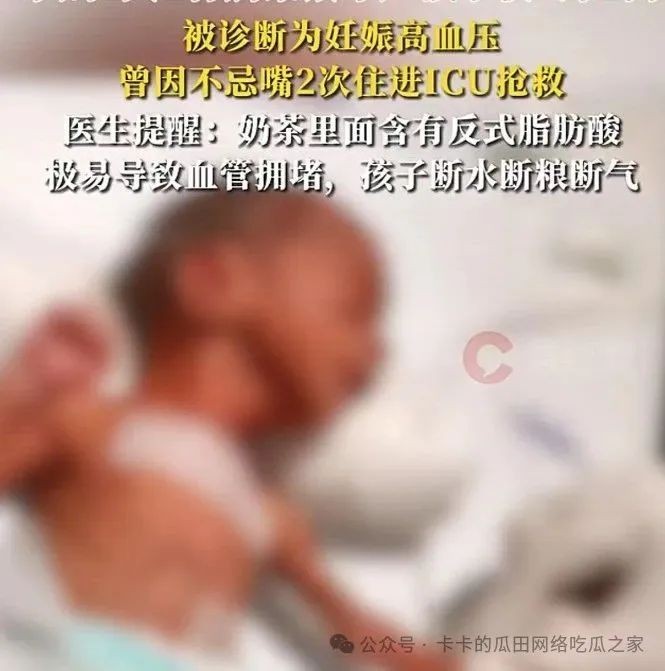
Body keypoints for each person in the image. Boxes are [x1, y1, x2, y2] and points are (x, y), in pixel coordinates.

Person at [0, 191, 457, 671]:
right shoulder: (95, 425)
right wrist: (27, 385)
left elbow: (350, 625)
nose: (377, 354)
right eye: (354, 313)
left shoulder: (267, 514)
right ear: (213, 280)